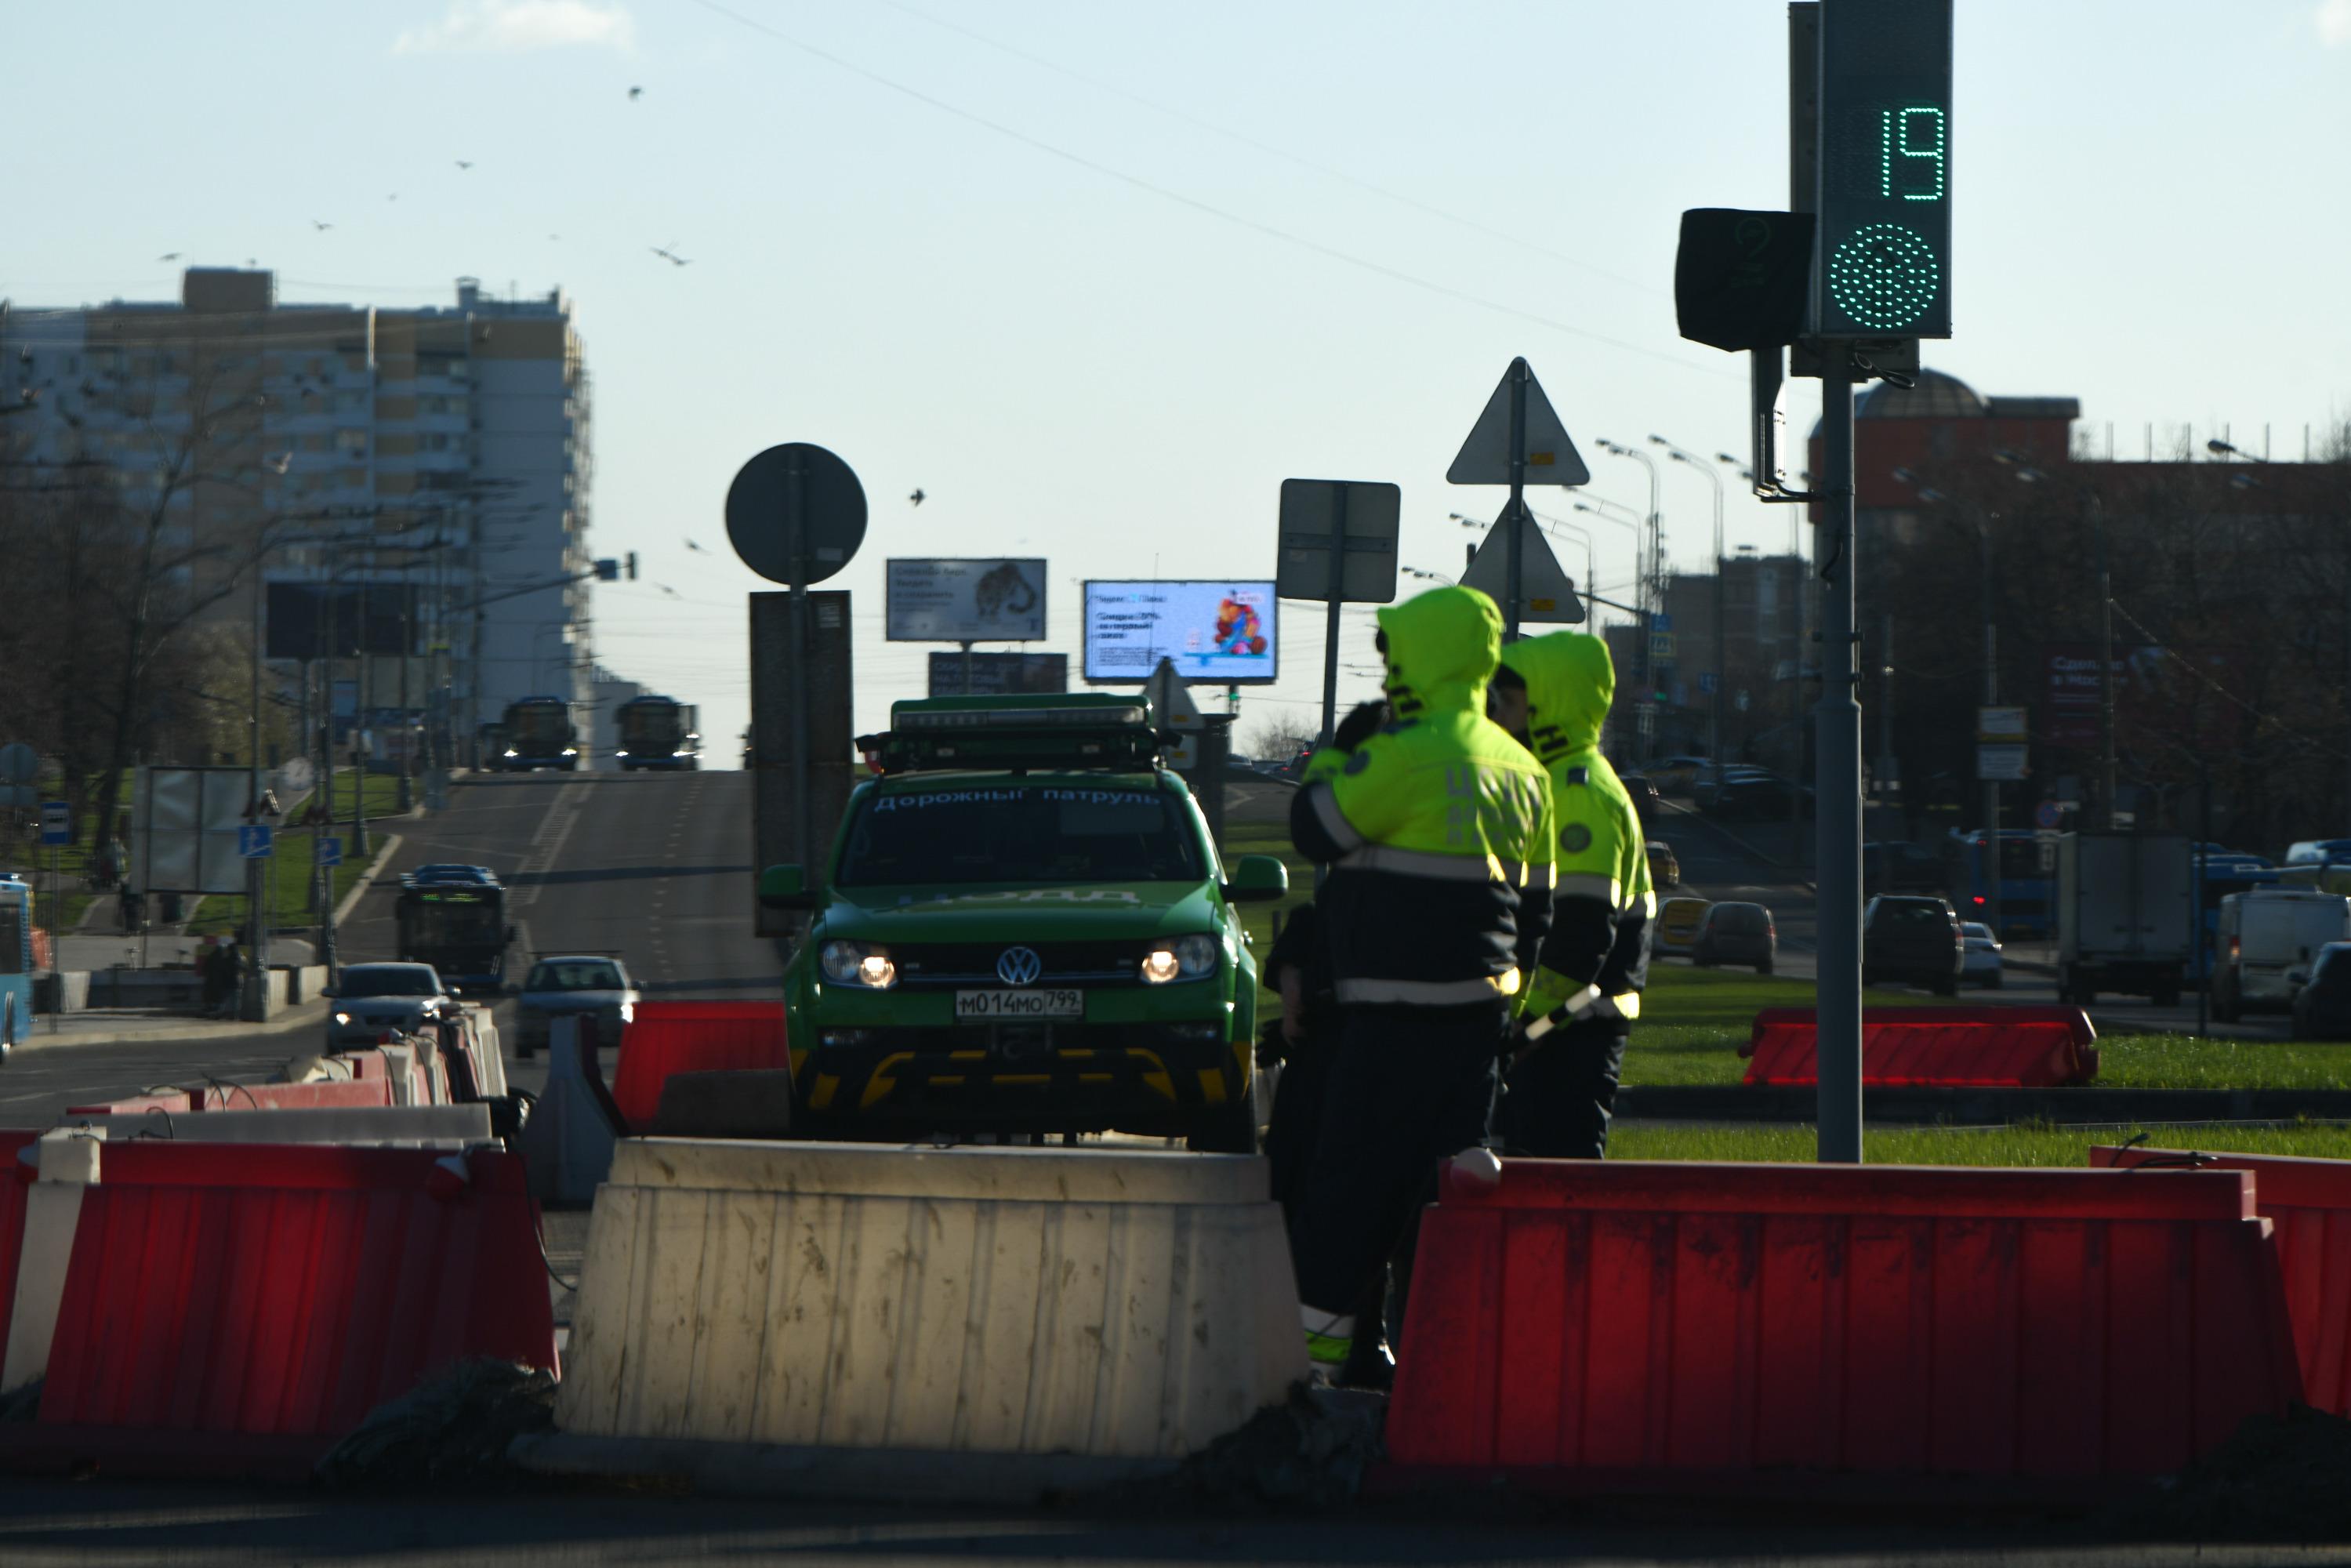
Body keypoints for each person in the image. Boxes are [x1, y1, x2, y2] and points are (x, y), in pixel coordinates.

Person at [1284, 585, 1555, 1379]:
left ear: (1422, 656)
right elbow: (1531, 912)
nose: (1385, 665)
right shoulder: (1520, 765)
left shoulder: (1405, 751)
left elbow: (1316, 829)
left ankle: (1311, 1381)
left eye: (1392, 651)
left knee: (1343, 1198)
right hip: (1475, 1030)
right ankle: (1445, 1370)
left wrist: (1333, 757)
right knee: (1442, 1207)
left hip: (1385, 1027)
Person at [1490, 631, 1654, 1159]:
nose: (1499, 717)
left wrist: (1526, 1028)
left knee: (1555, 1184)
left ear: (1546, 709)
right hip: (1566, 1025)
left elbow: (1580, 935)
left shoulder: (1577, 794)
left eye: (1509, 704)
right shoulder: (1561, 782)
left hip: (1571, 1031)